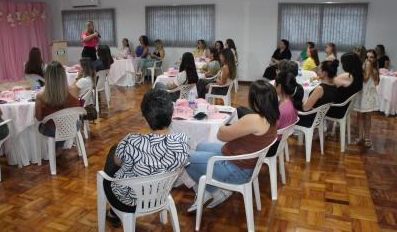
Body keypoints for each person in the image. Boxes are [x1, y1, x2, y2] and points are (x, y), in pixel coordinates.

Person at [186, 80, 279, 211]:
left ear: (255, 101)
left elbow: (221, 135)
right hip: (242, 161)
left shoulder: (254, 120)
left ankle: (215, 192)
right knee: (201, 146)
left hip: (236, 170)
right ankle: (208, 190)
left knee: (186, 158)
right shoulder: (273, 118)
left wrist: (226, 126)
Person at [103, 89, 189, 226]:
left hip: (128, 201)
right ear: (171, 114)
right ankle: (114, 213)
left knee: (113, 154)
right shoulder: (183, 142)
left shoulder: (132, 141)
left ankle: (113, 213)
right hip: (159, 195)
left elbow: (117, 162)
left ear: (144, 117)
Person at [35, 61, 80, 150]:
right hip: (72, 126)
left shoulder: (40, 96)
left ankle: (53, 149)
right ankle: (58, 147)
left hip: (53, 130)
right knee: (63, 121)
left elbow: (38, 118)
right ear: (63, 75)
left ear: (47, 77)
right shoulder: (75, 90)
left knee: (44, 125)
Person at [296, 60, 339, 128]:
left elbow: (305, 108)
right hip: (319, 117)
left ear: (324, 73)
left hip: (309, 119)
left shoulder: (320, 89)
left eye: (319, 69)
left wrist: (301, 101)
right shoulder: (334, 86)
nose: (317, 72)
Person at [354, 49, 379, 147]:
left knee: (368, 116)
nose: (369, 59)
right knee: (359, 115)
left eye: (371, 57)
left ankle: (367, 137)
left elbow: (366, 79)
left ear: (375, 58)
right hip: (362, 91)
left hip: (367, 92)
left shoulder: (370, 65)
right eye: (367, 57)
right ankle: (360, 136)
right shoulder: (366, 64)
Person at [326, 52, 363, 119]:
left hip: (336, 108)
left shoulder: (347, 76)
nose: (342, 65)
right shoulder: (358, 76)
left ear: (348, 64)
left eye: (343, 63)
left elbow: (328, 84)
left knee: (317, 101)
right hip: (344, 107)